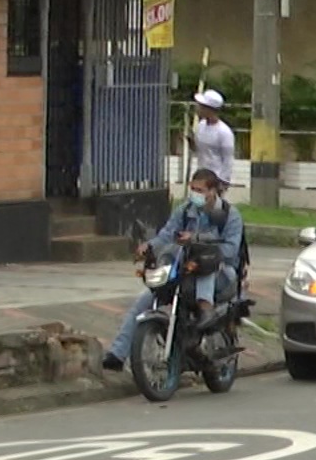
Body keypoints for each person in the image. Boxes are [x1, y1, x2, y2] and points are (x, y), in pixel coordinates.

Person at [102, 169, 245, 372]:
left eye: (200, 190)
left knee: (205, 266)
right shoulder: (185, 211)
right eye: (192, 189)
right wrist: (149, 247)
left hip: (222, 274)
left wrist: (197, 240)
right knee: (143, 303)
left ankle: (206, 310)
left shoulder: (230, 216)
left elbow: (231, 250)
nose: (195, 194)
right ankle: (117, 354)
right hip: (186, 270)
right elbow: (167, 235)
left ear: (213, 191)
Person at [189, 90, 237, 186]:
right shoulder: (201, 126)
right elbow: (199, 151)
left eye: (201, 106)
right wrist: (191, 143)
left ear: (209, 109)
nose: (198, 108)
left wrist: (223, 182)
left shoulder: (224, 132)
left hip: (216, 179)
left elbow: (228, 159)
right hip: (201, 177)